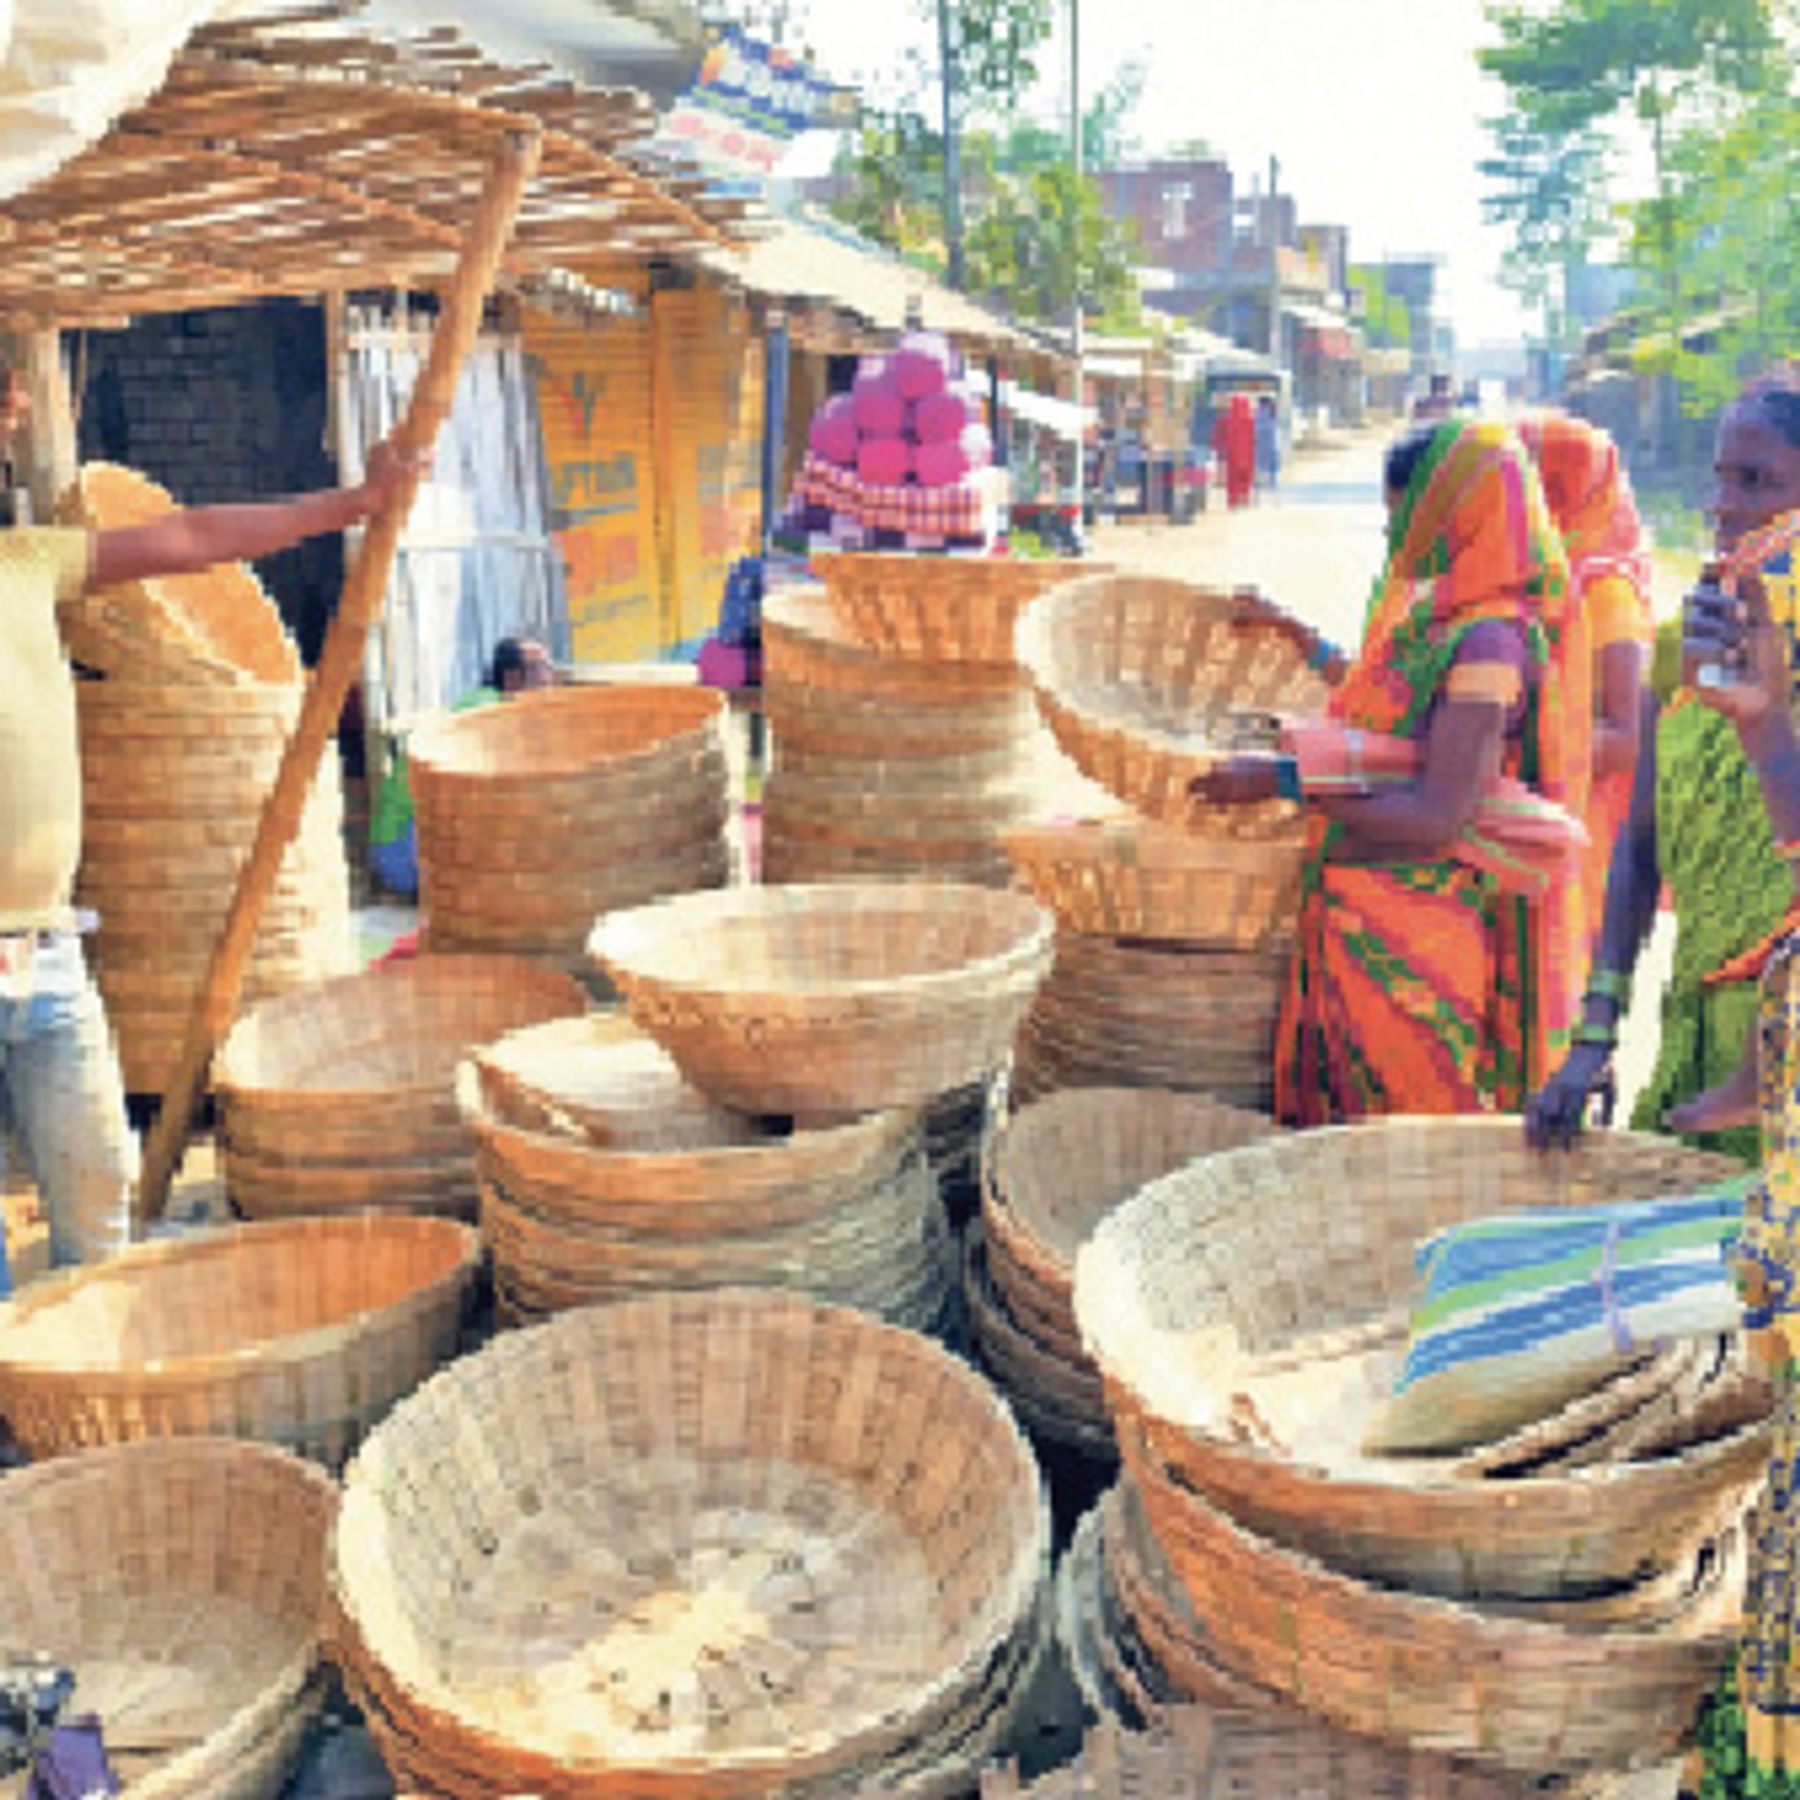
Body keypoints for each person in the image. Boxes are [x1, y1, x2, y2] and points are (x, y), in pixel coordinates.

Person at [0, 367, 417, 1293]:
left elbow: (188, 537)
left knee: (99, 1182)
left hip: (46, 954)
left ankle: (81, 1381)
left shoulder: (28, 562)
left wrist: (357, 501)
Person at [1193, 416, 1590, 1124]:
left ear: (1458, 515)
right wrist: (1295, 635)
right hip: (1362, 913)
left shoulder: (1491, 644)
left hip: (1415, 945)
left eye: (1405, 519)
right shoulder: (1442, 617)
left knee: (1409, 1148)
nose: (1393, 539)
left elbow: (1438, 816)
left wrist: (1285, 783)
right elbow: (1390, 706)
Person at [1526, 375, 1800, 1161]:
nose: (1724, 506)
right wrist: (1595, 1030)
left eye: (1757, 481)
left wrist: (1767, 723)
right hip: (1697, 1046)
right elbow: (1639, 852)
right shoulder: (1687, 647)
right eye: (1719, 477)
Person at [1517, 410, 1654, 956]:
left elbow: (1624, 740)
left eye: (1536, 486)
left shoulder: (1605, 592)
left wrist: (1517, 748)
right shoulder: (1532, 574)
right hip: (1534, 814)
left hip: (1577, 827)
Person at [367, 634, 555, 899]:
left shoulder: (490, 703)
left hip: (412, 843)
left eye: (550, 667)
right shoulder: (488, 713)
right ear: (513, 678)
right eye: (540, 669)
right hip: (401, 852)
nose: (550, 678)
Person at [1213, 390, 1257, 509]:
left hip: (1233, 453)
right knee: (1245, 476)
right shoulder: (1250, 420)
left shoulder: (1227, 420)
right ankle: (1245, 497)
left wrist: (1219, 449)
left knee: (1233, 477)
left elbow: (1222, 437)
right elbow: (1253, 438)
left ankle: (1233, 499)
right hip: (1247, 454)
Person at [1255, 393, 1281, 491]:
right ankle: (1273, 481)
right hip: (1272, 440)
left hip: (1260, 440)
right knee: (1272, 461)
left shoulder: (1258, 412)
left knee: (1260, 461)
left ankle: (1259, 481)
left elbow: (1255, 424)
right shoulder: (1273, 411)